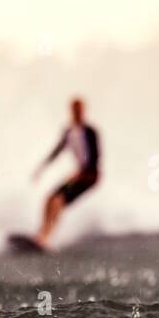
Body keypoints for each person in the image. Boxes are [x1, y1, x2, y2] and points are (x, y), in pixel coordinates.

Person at [32, 97, 101, 248]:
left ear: (84, 111)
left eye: (80, 110)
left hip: (90, 176)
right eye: (75, 110)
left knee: (58, 201)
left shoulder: (90, 131)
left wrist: (81, 173)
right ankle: (41, 233)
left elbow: (95, 157)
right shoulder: (69, 131)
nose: (78, 113)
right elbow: (57, 151)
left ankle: (45, 238)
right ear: (72, 111)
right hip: (77, 174)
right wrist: (42, 168)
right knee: (49, 198)